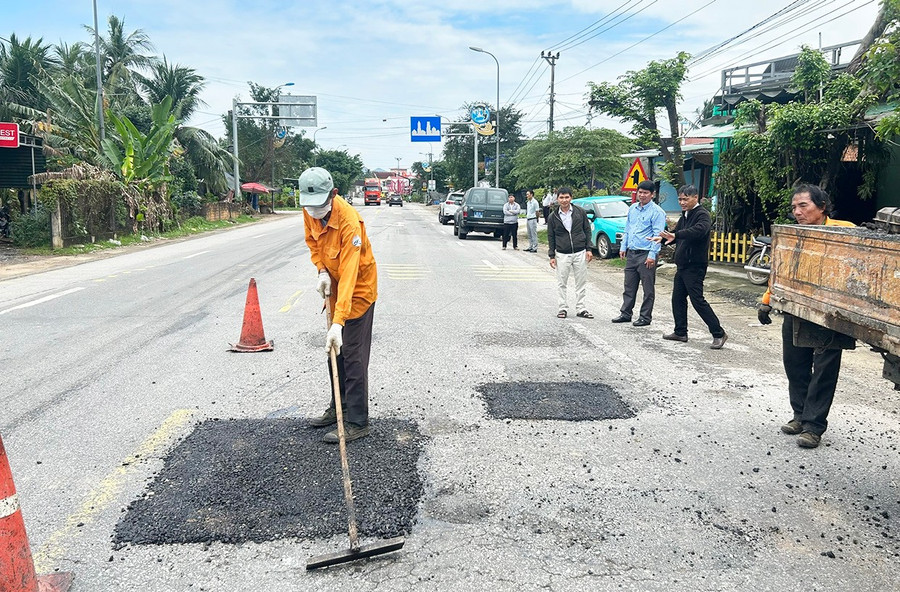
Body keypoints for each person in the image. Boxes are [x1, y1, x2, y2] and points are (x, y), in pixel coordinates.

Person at [758, 184, 855, 449]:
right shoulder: (792, 235)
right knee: (795, 363)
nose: (797, 212)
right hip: (796, 307)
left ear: (821, 207)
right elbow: (780, 270)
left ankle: (814, 426)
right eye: (794, 207)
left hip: (830, 312)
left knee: (824, 368)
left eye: (803, 205)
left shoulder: (845, 231)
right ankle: (800, 415)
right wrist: (767, 301)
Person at [300, 167, 378, 443]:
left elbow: (349, 273)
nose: (313, 213)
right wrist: (321, 270)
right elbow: (313, 242)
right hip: (334, 287)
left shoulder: (349, 222)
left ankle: (357, 421)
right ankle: (339, 408)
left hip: (357, 291)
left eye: (319, 206)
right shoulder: (310, 210)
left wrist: (338, 321)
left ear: (333, 195)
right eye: (309, 207)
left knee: (353, 357)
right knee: (336, 354)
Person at [653, 185, 727, 349]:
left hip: (695, 265)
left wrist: (676, 235)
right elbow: (677, 234)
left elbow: (698, 231)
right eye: (680, 199)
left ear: (696, 197)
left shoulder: (702, 215)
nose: (682, 202)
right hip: (683, 264)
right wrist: (664, 239)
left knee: (697, 300)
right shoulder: (685, 215)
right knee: (677, 299)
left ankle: (718, 333)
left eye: (685, 199)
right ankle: (680, 332)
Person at [612, 180, 666, 326]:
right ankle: (625, 313)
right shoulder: (633, 208)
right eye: (640, 192)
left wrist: (651, 255)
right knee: (629, 285)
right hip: (632, 252)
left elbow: (657, 235)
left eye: (645, 193)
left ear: (652, 195)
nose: (642, 195)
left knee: (648, 288)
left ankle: (645, 317)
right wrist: (623, 247)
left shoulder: (657, 212)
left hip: (646, 253)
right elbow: (628, 229)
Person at [547, 187, 594, 319]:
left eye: (567, 197)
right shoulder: (553, 216)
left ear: (571, 198)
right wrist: (552, 255)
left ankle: (581, 308)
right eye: (561, 198)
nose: (564, 200)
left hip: (580, 251)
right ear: (557, 199)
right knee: (562, 282)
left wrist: (589, 249)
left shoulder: (580, 212)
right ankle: (562, 308)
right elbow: (551, 236)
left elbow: (587, 230)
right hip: (562, 253)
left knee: (581, 281)